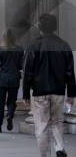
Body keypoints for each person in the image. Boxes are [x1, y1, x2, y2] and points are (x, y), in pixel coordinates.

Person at [23, 13, 76, 157]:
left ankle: (45, 154)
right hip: (58, 90)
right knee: (57, 121)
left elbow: (28, 71)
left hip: (40, 91)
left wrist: (26, 93)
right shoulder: (64, 45)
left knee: (42, 125)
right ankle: (59, 148)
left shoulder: (34, 45)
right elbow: (70, 72)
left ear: (40, 27)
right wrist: (71, 93)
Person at [0, 29, 24, 133]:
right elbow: (20, 66)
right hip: (14, 78)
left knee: (0, 102)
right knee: (12, 101)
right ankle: (10, 114)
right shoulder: (20, 49)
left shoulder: (0, 49)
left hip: (3, 79)